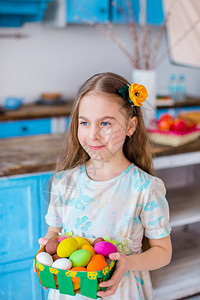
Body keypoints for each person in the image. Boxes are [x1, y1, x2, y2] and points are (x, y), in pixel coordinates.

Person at [35, 72, 172, 299]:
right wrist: (46, 253)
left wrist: (128, 263)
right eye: (85, 122)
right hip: (70, 293)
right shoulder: (64, 182)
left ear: (130, 126)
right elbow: (54, 233)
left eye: (105, 123)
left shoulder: (145, 188)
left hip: (121, 291)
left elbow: (163, 252)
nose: (93, 134)